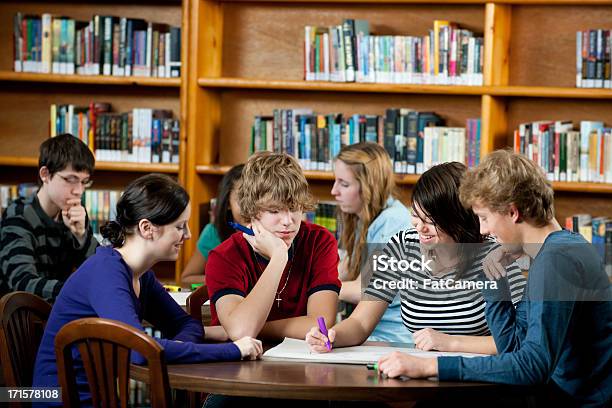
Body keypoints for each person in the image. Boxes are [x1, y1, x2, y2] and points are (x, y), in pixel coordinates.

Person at [373, 150, 611, 407]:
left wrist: (432, 366)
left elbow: (532, 366)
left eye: (484, 218)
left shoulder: (556, 259)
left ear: (513, 212)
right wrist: (494, 281)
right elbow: (512, 347)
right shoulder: (551, 250)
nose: (483, 230)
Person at [32, 174, 262, 407]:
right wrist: (233, 350)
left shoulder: (142, 275)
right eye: (180, 227)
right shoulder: (107, 272)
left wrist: (179, 347)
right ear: (147, 228)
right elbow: (139, 351)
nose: (188, 235)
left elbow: (186, 324)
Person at [306, 161, 526, 355]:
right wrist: (332, 336)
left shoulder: (497, 256)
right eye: (415, 215)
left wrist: (451, 343)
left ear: (457, 220)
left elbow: (519, 340)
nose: (420, 228)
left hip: (478, 378)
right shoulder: (403, 245)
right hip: (419, 371)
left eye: (430, 220)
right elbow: (361, 323)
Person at [206, 151, 341, 341]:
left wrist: (249, 329)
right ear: (252, 211)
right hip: (236, 365)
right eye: (274, 210)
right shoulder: (224, 256)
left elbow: (321, 324)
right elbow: (241, 331)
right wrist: (279, 257)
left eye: (294, 208)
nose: (287, 221)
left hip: (299, 362)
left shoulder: (319, 241)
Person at [0, 134, 98, 302]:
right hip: (19, 320)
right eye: (71, 179)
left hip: (59, 313)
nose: (79, 191)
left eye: (84, 182)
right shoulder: (18, 216)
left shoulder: (75, 213)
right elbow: (22, 284)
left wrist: (82, 236)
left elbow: (100, 271)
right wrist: (77, 292)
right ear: (45, 174)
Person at [332, 142, 412, 343]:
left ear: (369, 186)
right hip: (374, 334)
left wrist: (316, 290)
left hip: (392, 338)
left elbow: (364, 288)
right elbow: (340, 272)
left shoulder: (392, 221)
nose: (334, 191)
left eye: (344, 184)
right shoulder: (366, 219)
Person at [181, 164, 245, 284]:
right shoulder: (213, 233)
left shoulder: (276, 231)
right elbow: (187, 279)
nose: (250, 207)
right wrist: (226, 279)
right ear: (228, 203)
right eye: (242, 199)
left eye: (256, 198)